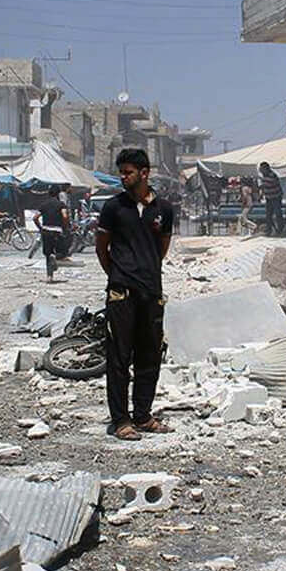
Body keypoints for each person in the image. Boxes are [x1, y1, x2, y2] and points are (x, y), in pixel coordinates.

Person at [96, 147, 176, 440]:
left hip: (152, 291)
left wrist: (147, 270)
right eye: (121, 171)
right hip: (122, 292)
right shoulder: (113, 207)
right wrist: (119, 275)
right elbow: (101, 247)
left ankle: (143, 415)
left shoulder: (164, 209)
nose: (122, 177)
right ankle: (121, 421)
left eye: (127, 172)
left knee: (150, 354)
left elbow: (162, 248)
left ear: (144, 173)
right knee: (118, 357)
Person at [34, 184, 71, 280]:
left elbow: (35, 218)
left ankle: (49, 276)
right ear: (58, 194)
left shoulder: (44, 205)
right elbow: (65, 216)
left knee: (47, 254)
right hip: (57, 231)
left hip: (46, 230)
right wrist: (66, 227)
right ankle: (55, 257)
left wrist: (40, 228)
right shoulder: (61, 204)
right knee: (61, 252)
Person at [259, 161, 286, 235]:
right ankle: (269, 230)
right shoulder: (264, 176)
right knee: (268, 215)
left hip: (276, 197)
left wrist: (262, 184)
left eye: (261, 169)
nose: (260, 170)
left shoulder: (272, 175)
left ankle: (280, 229)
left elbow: (269, 183)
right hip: (269, 198)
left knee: (278, 214)